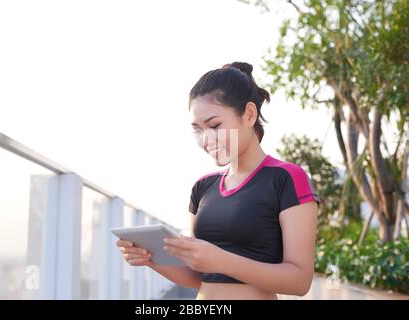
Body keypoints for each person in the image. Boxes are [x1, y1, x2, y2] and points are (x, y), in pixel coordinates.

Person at [117, 62, 320, 299]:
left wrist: (221, 260)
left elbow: (299, 281)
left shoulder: (286, 178)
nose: (206, 140)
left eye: (215, 125)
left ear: (249, 114)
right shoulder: (203, 188)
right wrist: (149, 258)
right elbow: (197, 276)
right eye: (198, 130)